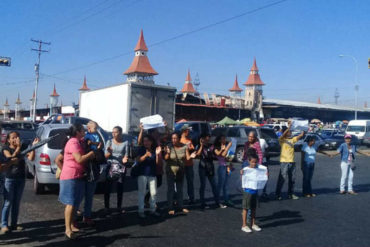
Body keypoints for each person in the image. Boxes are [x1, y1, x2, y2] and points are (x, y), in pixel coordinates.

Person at [59, 123, 95, 239]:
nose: (85, 132)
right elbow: (79, 159)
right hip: (70, 176)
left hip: (77, 176)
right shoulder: (73, 142)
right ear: (78, 131)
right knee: (70, 203)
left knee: (75, 203)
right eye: (83, 130)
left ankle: (71, 225)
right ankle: (67, 229)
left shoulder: (78, 142)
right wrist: (91, 154)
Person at [1, 132, 38, 234]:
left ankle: (14, 223)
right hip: (9, 178)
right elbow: (12, 159)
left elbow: (31, 158)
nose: (16, 139)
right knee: (8, 202)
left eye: (17, 137)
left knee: (16, 202)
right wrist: (18, 148)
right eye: (13, 138)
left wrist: (33, 147)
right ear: (8, 140)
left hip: (21, 178)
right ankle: (4, 224)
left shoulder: (23, 147)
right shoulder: (5, 149)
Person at [164, 132, 196, 215]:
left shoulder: (184, 147)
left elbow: (187, 158)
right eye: (172, 138)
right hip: (170, 170)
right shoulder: (169, 146)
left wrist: (192, 156)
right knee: (170, 189)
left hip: (180, 171)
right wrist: (167, 152)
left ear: (179, 139)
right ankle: (170, 207)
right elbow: (166, 158)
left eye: (175, 138)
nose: (173, 140)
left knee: (180, 189)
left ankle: (181, 206)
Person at [275, 121, 304, 200]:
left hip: (292, 162)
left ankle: (290, 194)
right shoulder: (281, 140)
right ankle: (278, 194)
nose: (290, 133)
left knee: (292, 179)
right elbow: (283, 134)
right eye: (289, 132)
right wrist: (289, 127)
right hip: (284, 162)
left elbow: (300, 136)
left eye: (290, 132)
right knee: (282, 179)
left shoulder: (292, 140)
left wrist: (303, 128)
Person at [104, 126, 129, 215]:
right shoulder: (109, 142)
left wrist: (125, 159)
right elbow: (105, 156)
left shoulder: (126, 143)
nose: (113, 134)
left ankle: (119, 207)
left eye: (115, 132)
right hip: (111, 166)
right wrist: (109, 153)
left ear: (120, 133)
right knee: (108, 188)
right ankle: (106, 207)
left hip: (121, 167)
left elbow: (126, 155)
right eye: (112, 132)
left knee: (120, 187)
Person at [136, 135, 162, 218]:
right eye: (144, 141)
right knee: (142, 193)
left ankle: (152, 210)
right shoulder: (141, 149)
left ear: (151, 142)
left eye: (147, 141)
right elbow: (138, 160)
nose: (146, 142)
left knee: (153, 193)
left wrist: (157, 155)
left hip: (152, 174)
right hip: (142, 174)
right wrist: (146, 155)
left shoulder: (154, 150)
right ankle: (141, 210)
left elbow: (158, 163)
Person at [195, 133, 220, 209]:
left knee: (214, 185)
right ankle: (202, 202)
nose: (207, 139)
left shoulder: (211, 146)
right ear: (202, 138)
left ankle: (217, 201)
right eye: (206, 137)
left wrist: (223, 149)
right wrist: (201, 145)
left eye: (209, 137)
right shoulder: (199, 146)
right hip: (202, 166)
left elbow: (217, 153)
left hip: (210, 166)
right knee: (203, 185)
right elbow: (198, 154)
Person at [240, 150, 263, 233]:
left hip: (255, 191)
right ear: (249, 161)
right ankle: (244, 225)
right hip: (247, 192)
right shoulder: (246, 169)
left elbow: (261, 178)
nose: (254, 164)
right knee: (245, 208)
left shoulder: (258, 169)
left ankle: (253, 224)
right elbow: (242, 179)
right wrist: (242, 173)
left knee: (253, 208)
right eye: (252, 162)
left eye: (255, 162)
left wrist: (265, 175)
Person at [214, 135, 233, 207]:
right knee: (220, 185)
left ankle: (226, 199)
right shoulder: (216, 148)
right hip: (221, 167)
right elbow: (222, 154)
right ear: (219, 140)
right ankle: (217, 200)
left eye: (225, 138)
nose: (225, 140)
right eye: (223, 139)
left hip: (227, 166)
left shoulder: (225, 146)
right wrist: (228, 147)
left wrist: (230, 160)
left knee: (226, 185)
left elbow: (228, 157)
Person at [180, 124, 195, 204]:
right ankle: (179, 198)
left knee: (190, 182)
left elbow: (192, 150)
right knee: (180, 182)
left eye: (188, 130)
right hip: (181, 164)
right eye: (187, 130)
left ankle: (191, 198)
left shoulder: (189, 140)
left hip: (189, 164)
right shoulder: (179, 140)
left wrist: (190, 149)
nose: (188, 132)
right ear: (184, 131)